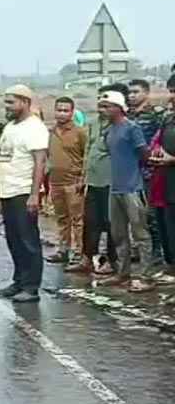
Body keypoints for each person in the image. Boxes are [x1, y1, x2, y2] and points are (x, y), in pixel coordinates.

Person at [0, 84, 49, 302]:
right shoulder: (11, 127)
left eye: (11, 102)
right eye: (6, 101)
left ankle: (31, 287)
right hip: (8, 192)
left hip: (23, 191)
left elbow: (40, 163)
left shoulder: (35, 128)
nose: (7, 106)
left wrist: (34, 194)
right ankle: (19, 281)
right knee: (13, 239)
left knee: (28, 240)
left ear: (25, 103)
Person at [100, 90, 154, 291]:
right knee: (118, 234)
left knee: (141, 233)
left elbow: (144, 154)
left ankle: (145, 276)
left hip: (133, 187)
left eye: (107, 107)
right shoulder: (109, 130)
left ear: (118, 108)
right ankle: (123, 273)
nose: (103, 110)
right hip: (115, 188)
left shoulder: (132, 128)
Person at [71, 84, 125, 275]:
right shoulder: (93, 124)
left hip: (112, 182)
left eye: (106, 106)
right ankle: (86, 258)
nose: (102, 109)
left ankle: (112, 260)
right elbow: (88, 151)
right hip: (93, 181)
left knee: (111, 223)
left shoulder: (122, 127)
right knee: (90, 221)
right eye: (100, 105)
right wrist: (82, 177)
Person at [127, 78, 168, 267]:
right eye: (130, 92)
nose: (132, 95)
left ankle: (157, 252)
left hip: (151, 171)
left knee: (152, 214)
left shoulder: (156, 115)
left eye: (136, 92)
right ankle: (141, 249)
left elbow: (161, 139)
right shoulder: (128, 116)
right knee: (136, 214)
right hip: (132, 171)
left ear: (146, 93)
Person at [46, 96, 88, 264]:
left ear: (72, 112)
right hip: (55, 182)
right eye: (59, 110)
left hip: (74, 182)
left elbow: (86, 157)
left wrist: (82, 179)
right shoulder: (50, 132)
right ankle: (63, 250)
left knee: (78, 219)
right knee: (62, 218)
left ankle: (79, 253)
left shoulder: (80, 132)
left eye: (66, 110)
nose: (62, 114)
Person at [148, 74, 175, 282]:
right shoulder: (168, 118)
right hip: (166, 183)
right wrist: (157, 152)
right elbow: (158, 140)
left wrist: (172, 159)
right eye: (172, 91)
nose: (173, 96)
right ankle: (171, 267)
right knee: (168, 227)